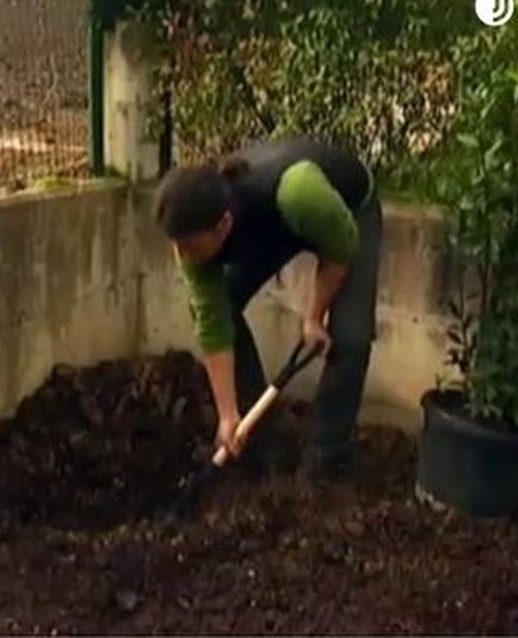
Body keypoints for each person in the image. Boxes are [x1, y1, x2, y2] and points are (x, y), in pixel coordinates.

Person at [154, 136, 382, 480]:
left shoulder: (298, 193)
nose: (183, 256)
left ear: (223, 225)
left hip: (344, 211)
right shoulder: (192, 237)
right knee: (219, 305)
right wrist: (228, 414)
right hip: (279, 225)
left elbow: (340, 250)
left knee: (352, 337)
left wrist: (314, 317)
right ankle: (260, 437)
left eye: (189, 247)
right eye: (178, 246)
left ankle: (325, 458)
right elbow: (213, 323)